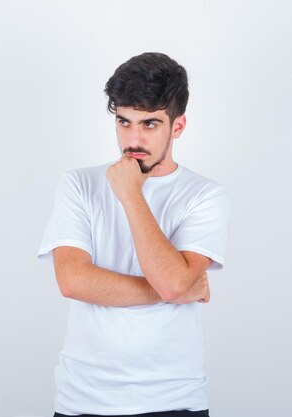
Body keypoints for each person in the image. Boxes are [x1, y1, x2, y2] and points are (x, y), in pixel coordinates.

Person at [38, 52, 231, 417]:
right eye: (124, 122)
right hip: (82, 400)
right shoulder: (79, 184)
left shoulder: (206, 195)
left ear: (178, 126)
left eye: (150, 124)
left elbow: (173, 284)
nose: (133, 138)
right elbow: (72, 281)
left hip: (173, 400)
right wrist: (178, 287)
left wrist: (130, 194)